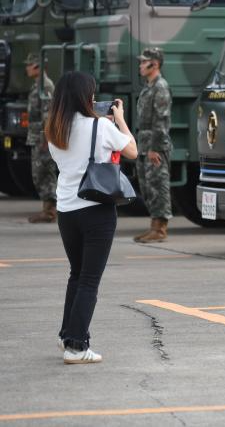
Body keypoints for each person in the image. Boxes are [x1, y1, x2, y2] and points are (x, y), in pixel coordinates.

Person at [46, 71, 137, 363]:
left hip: (66, 209)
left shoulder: (54, 128)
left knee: (77, 274)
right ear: (87, 97)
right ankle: (77, 346)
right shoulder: (101, 126)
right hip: (96, 209)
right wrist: (120, 119)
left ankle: (67, 336)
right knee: (89, 280)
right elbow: (132, 151)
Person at [133, 48, 173, 243]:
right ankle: (154, 226)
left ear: (154, 64)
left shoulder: (160, 87)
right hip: (145, 144)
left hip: (154, 146)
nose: (140, 65)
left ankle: (160, 229)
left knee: (158, 185)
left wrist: (155, 149)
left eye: (144, 62)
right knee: (148, 187)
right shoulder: (149, 86)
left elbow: (161, 121)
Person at [25, 53, 58, 223]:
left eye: (29, 65)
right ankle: (47, 208)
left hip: (42, 137)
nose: (27, 68)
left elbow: (48, 114)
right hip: (36, 136)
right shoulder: (38, 85)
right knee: (39, 173)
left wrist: (46, 138)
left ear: (37, 66)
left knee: (45, 171)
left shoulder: (45, 86)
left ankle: (50, 210)